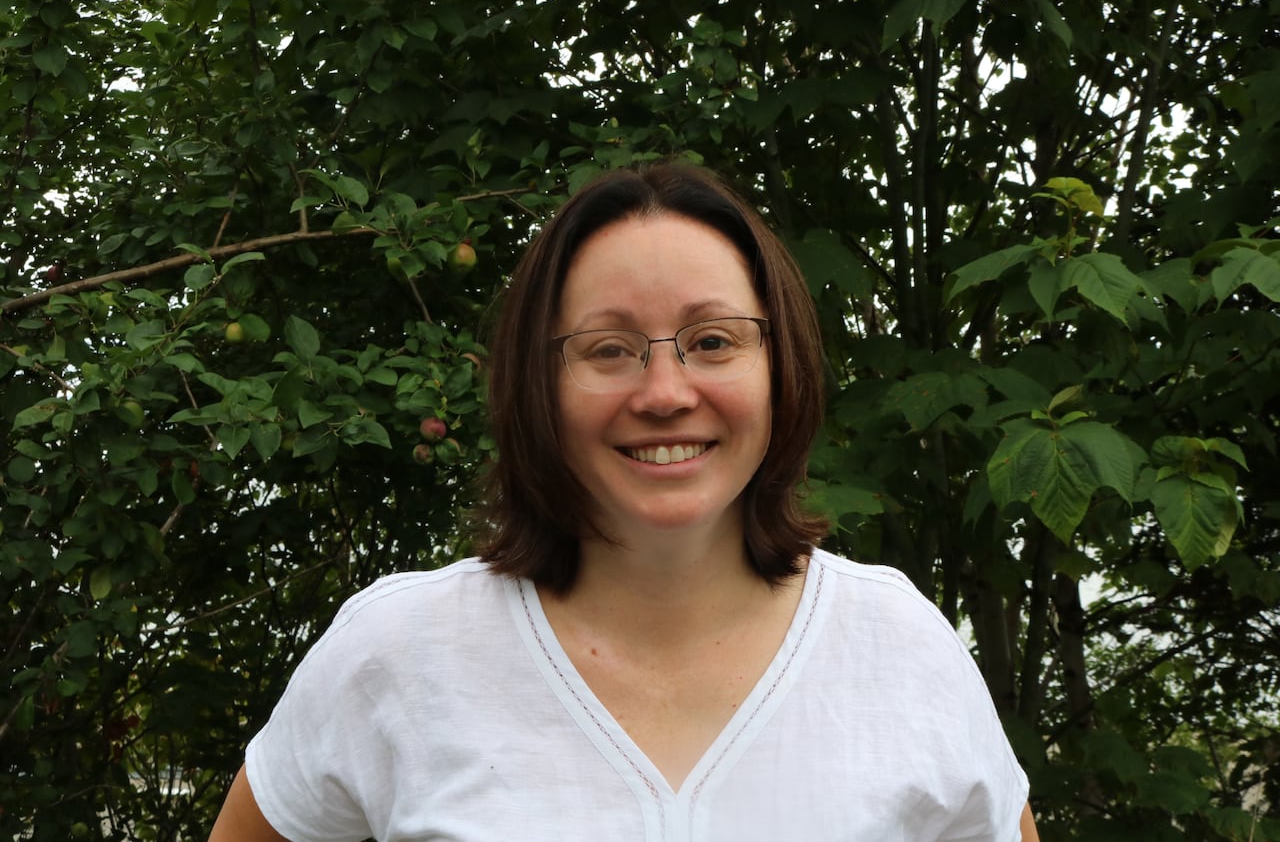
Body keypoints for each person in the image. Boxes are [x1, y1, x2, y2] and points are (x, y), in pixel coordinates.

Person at [210, 163, 1040, 841]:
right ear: (539, 382)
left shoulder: (900, 651)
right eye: (609, 349)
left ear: (779, 366)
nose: (665, 392)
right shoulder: (399, 652)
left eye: (713, 341)